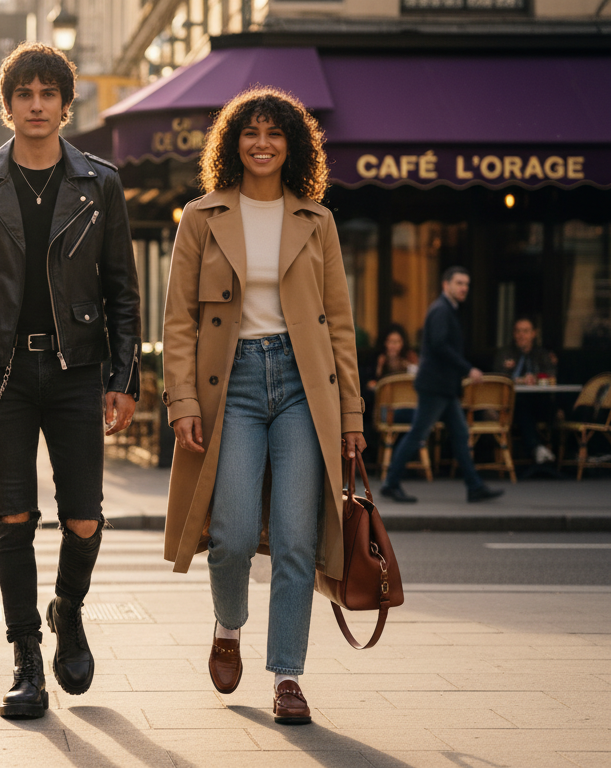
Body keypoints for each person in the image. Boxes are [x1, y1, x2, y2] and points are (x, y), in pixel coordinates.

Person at [0, 42, 141, 720]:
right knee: (14, 516)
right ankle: (27, 656)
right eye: (23, 93)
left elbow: (122, 288)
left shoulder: (99, 183)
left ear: (63, 103)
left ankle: (69, 608)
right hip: (2, 375)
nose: (35, 104)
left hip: (78, 368)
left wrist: (124, 375)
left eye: (46, 93)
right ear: (9, 104)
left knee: (83, 516)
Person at [162, 87, 366, 725]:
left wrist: (353, 417)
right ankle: (228, 624)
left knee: (298, 538)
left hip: (306, 386)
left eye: (274, 133)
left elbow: (339, 325)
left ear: (292, 145)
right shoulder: (201, 216)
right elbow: (179, 321)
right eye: (250, 132)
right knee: (230, 532)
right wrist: (182, 400)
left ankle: (287, 676)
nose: (262, 143)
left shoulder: (317, 220)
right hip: (235, 384)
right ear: (233, 142)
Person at [379, 267, 504, 503]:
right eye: (459, 283)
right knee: (418, 433)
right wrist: (468, 368)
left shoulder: (448, 309)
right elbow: (439, 345)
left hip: (443, 387)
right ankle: (390, 482)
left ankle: (474, 486)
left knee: (459, 434)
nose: (464, 288)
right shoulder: (441, 310)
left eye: (466, 283)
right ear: (446, 285)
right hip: (435, 386)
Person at [494, 316, 559, 464]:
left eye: (525, 331)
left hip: (539, 401)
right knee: (521, 405)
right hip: (512, 404)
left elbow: (551, 374)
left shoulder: (542, 354)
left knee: (555, 407)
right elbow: (497, 377)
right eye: (518, 331)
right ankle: (537, 448)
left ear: (533, 334)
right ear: (513, 334)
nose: (521, 335)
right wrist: (518, 379)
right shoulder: (505, 353)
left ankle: (555, 455)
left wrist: (536, 378)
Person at [367, 324, 418, 392]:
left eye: (397, 342)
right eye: (390, 341)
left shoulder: (409, 356)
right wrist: (379, 367)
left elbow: (417, 378)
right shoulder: (378, 358)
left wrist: (408, 366)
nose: (393, 346)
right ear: (385, 343)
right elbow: (371, 382)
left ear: (403, 343)